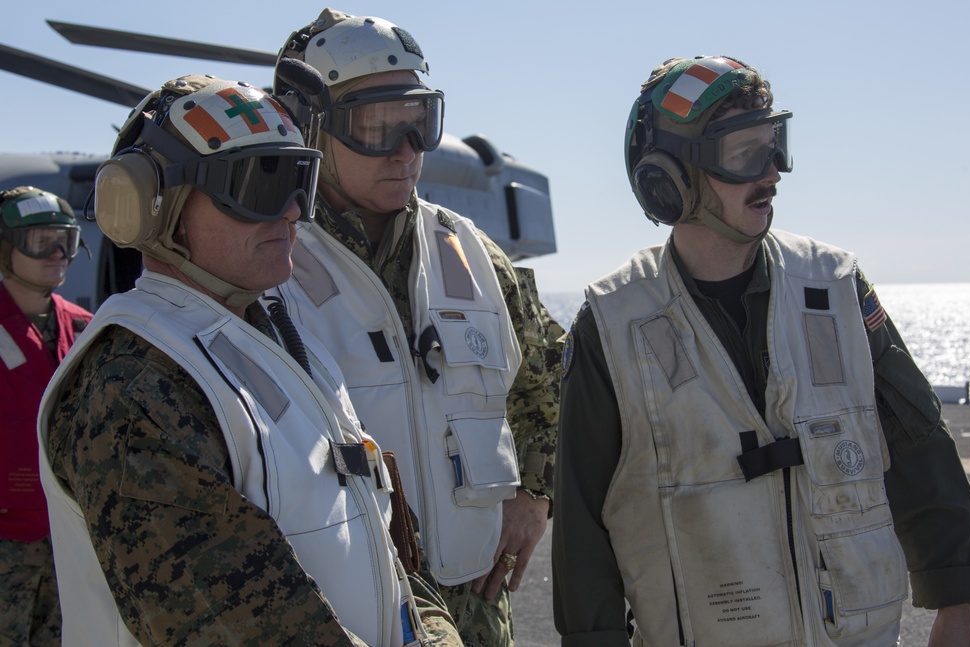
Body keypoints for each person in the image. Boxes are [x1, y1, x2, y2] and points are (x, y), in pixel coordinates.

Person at [551, 55, 970, 647]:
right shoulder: (612, 324)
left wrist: (954, 603)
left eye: (774, 143)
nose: (773, 172)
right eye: (744, 153)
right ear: (670, 179)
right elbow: (581, 520)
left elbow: (917, 441)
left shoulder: (834, 286)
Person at [37, 74, 461, 647]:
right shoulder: (134, 383)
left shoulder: (284, 342)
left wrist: (432, 630)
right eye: (261, 184)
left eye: (298, 183)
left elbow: (381, 540)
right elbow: (240, 625)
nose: (292, 214)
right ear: (154, 204)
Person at [268, 9, 562, 645]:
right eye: (377, 126)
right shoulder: (270, 262)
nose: (407, 152)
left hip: (476, 606)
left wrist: (534, 494)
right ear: (310, 128)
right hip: (344, 612)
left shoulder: (471, 253)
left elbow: (549, 379)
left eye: (420, 122)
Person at [0, 186, 92, 646]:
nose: (58, 254)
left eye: (66, 241)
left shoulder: (85, 327)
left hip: (64, 539)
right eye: (40, 242)